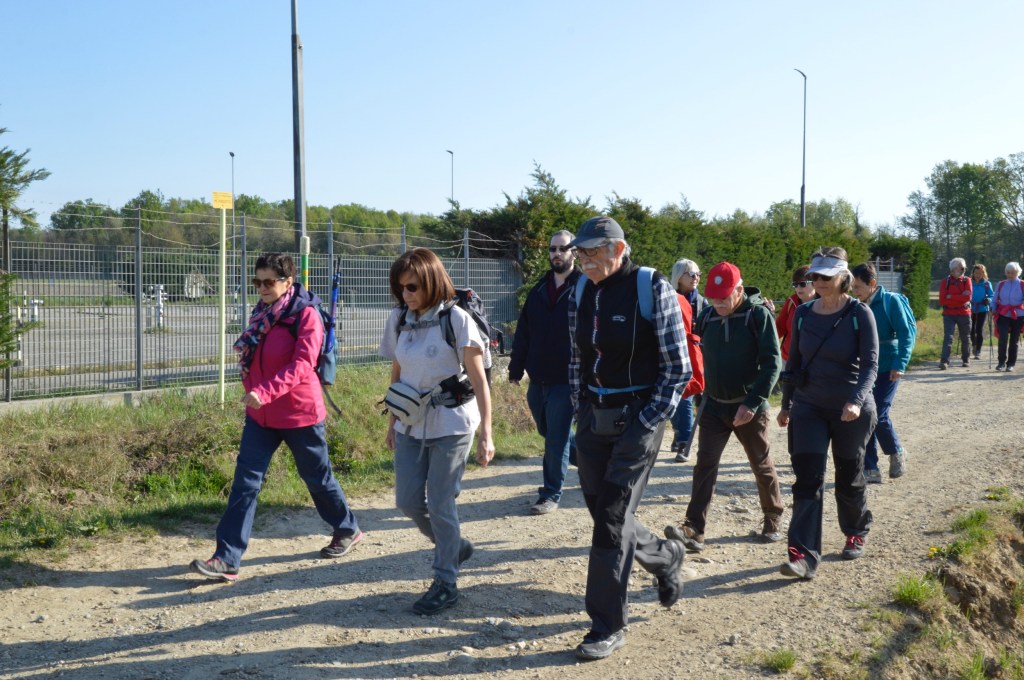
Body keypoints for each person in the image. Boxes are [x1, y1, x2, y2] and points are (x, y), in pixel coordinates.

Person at [190, 253, 362, 582]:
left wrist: (264, 392)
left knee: (317, 479)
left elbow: (302, 365)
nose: (262, 288)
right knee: (245, 484)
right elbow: (253, 360)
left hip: (300, 414)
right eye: (257, 282)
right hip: (261, 416)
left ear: (288, 281)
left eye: (269, 281)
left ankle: (346, 528)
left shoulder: (306, 315)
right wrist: (254, 393)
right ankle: (226, 558)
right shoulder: (262, 313)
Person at [568, 216, 690, 661]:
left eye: (592, 251)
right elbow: (576, 357)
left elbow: (678, 369)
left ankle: (607, 626)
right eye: (580, 252)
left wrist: (647, 420)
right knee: (604, 511)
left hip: (639, 417)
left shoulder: (652, 287)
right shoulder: (580, 290)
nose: (583, 260)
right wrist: (580, 409)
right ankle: (665, 557)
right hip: (594, 416)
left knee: (611, 516)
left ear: (618, 249)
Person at [379, 248, 495, 614]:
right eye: (400, 288)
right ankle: (454, 546)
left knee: (441, 502)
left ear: (431, 281)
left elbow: (479, 379)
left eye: (412, 287)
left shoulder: (456, 319)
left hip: (453, 424)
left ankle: (446, 581)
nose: (406, 295)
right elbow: (398, 372)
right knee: (408, 501)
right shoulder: (399, 318)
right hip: (410, 423)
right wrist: (392, 422)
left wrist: (487, 431)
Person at [664, 262, 785, 552]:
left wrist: (752, 403)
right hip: (713, 406)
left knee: (761, 464)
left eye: (723, 298)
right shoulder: (707, 316)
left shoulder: (758, 316)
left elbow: (772, 364)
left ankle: (773, 516)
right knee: (705, 465)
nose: (717, 303)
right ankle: (694, 528)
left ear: (739, 291)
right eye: (713, 297)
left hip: (749, 408)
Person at [777, 247, 878, 580]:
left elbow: (870, 365)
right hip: (809, 406)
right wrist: (787, 404)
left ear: (842, 278)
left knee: (848, 475)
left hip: (850, 408)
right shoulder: (803, 313)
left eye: (825, 276)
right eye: (814, 276)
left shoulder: (859, 313)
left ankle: (855, 530)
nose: (818, 281)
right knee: (808, 478)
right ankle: (803, 556)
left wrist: (856, 400)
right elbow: (793, 363)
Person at [508, 230, 582, 515]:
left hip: (567, 378)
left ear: (574, 253)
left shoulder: (585, 287)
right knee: (547, 430)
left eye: (563, 248)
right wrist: (516, 368)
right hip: (537, 378)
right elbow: (524, 331)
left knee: (556, 438)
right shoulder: (539, 289)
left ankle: (550, 493)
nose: (557, 254)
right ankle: (591, 462)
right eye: (553, 249)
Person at [850, 263, 916, 484]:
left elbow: (906, 333)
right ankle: (870, 467)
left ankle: (896, 451)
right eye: (852, 287)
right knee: (864, 415)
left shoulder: (890, 302)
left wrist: (900, 363)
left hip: (888, 366)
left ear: (872, 283)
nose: (854, 291)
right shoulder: (856, 306)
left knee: (879, 413)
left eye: (858, 287)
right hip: (863, 368)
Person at [668, 258, 704, 461]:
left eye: (698, 274)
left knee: (686, 398)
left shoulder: (702, 302)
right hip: (672, 353)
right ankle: (678, 431)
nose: (696, 277)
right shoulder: (668, 298)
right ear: (679, 277)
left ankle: (684, 442)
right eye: (691, 274)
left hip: (695, 354)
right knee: (673, 396)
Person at [776, 265, 815, 362]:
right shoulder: (790, 302)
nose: (798, 288)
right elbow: (778, 329)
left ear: (815, 283)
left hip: (813, 363)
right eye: (795, 284)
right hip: (787, 360)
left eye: (802, 284)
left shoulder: (826, 305)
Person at [938, 257, 972, 369]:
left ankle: (966, 360)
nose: (963, 270)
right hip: (949, 313)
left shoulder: (967, 280)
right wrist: (960, 297)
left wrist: (951, 296)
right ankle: (944, 361)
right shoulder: (945, 282)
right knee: (948, 337)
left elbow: (968, 297)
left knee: (965, 337)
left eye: (964, 268)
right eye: (961, 268)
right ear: (953, 270)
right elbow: (942, 300)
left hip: (964, 313)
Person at [993, 261, 1024, 372]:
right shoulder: (1001, 284)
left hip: (1018, 315)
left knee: (1014, 340)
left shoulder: (1022, 284)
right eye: (1008, 272)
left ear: (1018, 272)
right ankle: (1001, 362)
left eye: (1013, 272)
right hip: (1003, 314)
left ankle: (1011, 364)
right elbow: (995, 299)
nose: (1010, 275)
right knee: (1003, 338)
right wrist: (993, 308)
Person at [969, 264, 994, 361]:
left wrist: (988, 299)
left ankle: (978, 351)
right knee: (971, 330)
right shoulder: (969, 282)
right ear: (973, 273)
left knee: (979, 329)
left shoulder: (987, 283)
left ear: (983, 273)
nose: (978, 275)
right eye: (976, 273)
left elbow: (992, 295)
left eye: (980, 273)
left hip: (982, 309)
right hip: (970, 309)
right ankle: (974, 345)